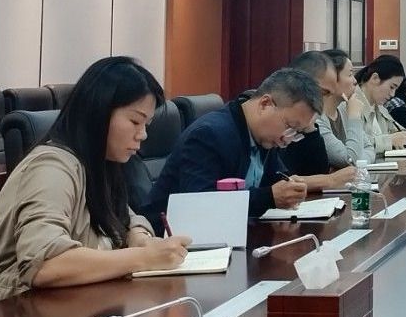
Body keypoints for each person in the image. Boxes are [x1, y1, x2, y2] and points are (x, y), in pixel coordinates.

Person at [0, 57, 190, 316]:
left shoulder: (101, 165)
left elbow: (125, 218)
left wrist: (141, 240)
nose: (142, 134)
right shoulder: (52, 167)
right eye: (135, 121)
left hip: (59, 315)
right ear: (99, 113)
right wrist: (144, 258)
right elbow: (46, 264)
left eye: (146, 125)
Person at [142, 68, 321, 225]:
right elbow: (201, 204)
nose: (288, 139)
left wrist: (289, 189)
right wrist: (269, 197)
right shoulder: (209, 134)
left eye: (297, 132)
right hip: (172, 241)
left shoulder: (265, 137)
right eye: (290, 126)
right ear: (265, 104)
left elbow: (275, 180)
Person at [277, 51, 358, 190]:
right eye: (324, 93)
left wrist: (310, 129)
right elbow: (277, 183)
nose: (323, 102)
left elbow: (318, 171)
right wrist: (330, 180)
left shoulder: (306, 123)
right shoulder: (273, 122)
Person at [343, 55, 406, 159]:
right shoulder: (349, 103)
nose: (393, 94)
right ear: (375, 78)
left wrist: (402, 138)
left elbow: (402, 135)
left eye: (395, 89)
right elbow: (351, 144)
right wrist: (388, 141)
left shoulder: (381, 109)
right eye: (391, 87)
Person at [315, 48, 357, 167]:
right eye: (350, 74)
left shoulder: (344, 109)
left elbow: (368, 147)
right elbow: (348, 159)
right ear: (331, 79)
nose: (355, 81)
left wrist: (357, 161)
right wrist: (355, 117)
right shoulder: (315, 118)